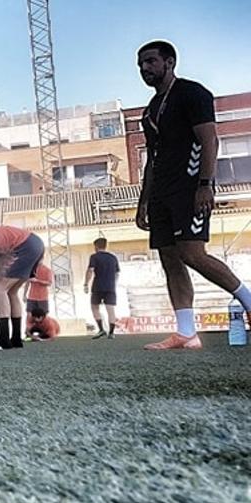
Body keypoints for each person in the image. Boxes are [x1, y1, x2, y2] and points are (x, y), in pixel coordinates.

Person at [134, 40, 251, 350]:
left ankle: (249, 302)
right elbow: (153, 159)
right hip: (161, 192)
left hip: (189, 187)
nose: (145, 68)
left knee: (192, 254)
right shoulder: (149, 112)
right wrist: (144, 201)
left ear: (169, 62)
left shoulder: (191, 93)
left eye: (150, 61)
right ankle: (186, 332)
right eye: (141, 64)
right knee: (170, 259)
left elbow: (210, 140)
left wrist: (205, 183)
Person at [0, 225, 45, 350]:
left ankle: (4, 338)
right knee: (12, 291)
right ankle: (15, 338)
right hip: (35, 245)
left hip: (27, 246)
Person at [84, 237, 120, 339]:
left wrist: (86, 283)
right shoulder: (113, 257)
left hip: (98, 286)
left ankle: (101, 329)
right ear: (105, 245)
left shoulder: (94, 257)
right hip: (110, 287)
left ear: (96, 246)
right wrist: (114, 284)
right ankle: (112, 333)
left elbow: (90, 270)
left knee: (94, 307)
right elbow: (117, 273)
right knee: (110, 309)